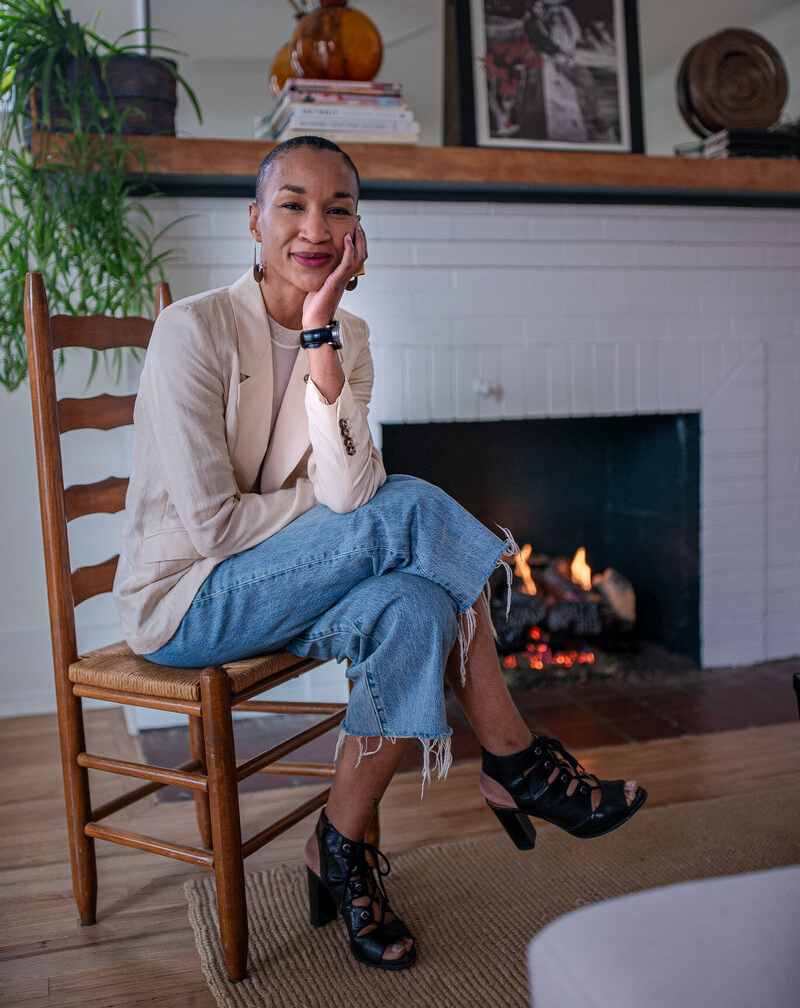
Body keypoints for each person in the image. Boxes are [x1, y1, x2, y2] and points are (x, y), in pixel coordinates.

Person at [113, 135, 646, 972]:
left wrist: (319, 335)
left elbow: (351, 491)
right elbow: (218, 527)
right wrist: (326, 509)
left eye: (339, 208)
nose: (313, 226)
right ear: (254, 220)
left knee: (418, 608)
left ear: (358, 233)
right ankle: (514, 757)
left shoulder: (347, 338)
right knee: (405, 510)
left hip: (288, 584)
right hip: (189, 601)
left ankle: (340, 843)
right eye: (292, 204)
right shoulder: (193, 330)